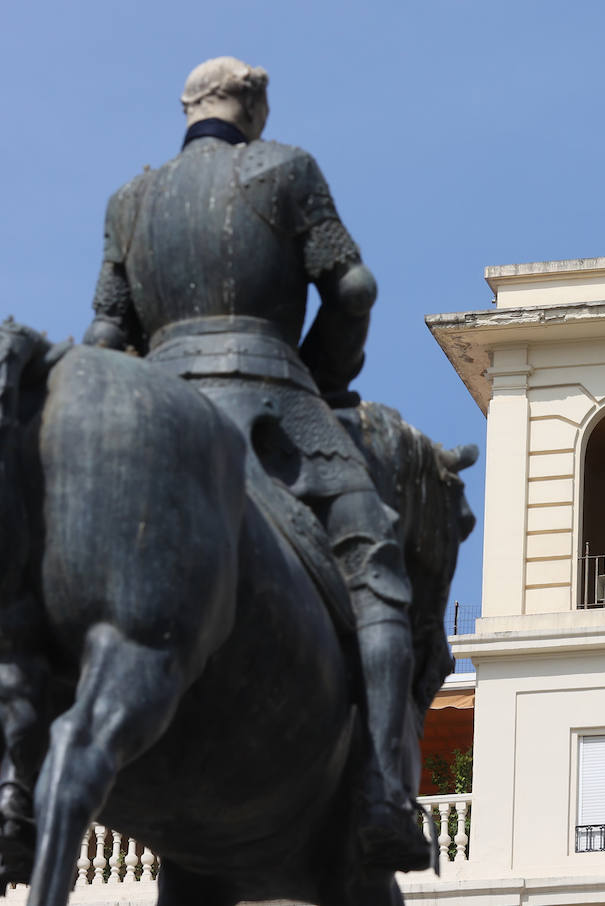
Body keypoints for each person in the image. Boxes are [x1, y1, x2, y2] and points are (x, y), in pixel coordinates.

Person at [84, 57, 429, 871]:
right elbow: (354, 289)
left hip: (154, 414)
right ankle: (383, 787)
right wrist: (323, 378)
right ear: (257, 110)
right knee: (377, 560)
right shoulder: (287, 170)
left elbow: (103, 338)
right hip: (276, 405)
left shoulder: (130, 199)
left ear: (188, 108)